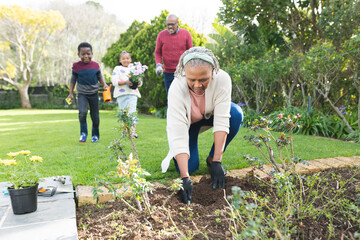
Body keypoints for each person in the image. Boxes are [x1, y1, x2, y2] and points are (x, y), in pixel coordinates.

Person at [161, 47, 244, 204]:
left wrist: (217, 161)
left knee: (236, 114)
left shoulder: (223, 79)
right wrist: (185, 177)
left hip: (210, 116)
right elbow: (177, 132)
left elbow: (222, 120)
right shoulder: (176, 88)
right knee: (190, 167)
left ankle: (211, 159)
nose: (197, 85)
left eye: (203, 79)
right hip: (188, 124)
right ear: (184, 73)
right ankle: (179, 155)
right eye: (191, 79)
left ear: (213, 71)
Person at [67, 42, 108, 143]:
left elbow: (99, 76)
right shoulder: (76, 66)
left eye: (88, 54)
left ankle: (95, 135)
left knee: (95, 116)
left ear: (92, 54)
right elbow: (73, 80)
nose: (86, 56)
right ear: (79, 55)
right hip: (82, 94)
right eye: (83, 54)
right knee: (82, 113)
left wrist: (104, 84)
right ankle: (83, 134)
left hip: (94, 93)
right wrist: (70, 93)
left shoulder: (95, 65)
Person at [154, 14, 193, 95]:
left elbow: (190, 52)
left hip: (183, 72)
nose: (170, 27)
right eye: (168, 24)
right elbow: (157, 52)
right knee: (171, 96)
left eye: (172, 24)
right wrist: (158, 64)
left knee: (184, 96)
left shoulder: (186, 34)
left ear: (177, 23)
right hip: (168, 73)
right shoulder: (161, 35)